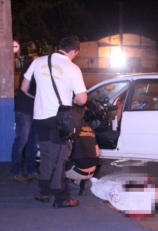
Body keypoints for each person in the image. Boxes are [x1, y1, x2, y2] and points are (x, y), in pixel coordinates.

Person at [21, 35, 87, 208]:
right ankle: (61, 197)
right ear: (74, 51)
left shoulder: (38, 61)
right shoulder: (72, 68)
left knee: (46, 154)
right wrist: (74, 102)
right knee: (60, 157)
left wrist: (41, 98)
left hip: (40, 117)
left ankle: (43, 191)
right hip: (60, 119)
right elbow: (82, 99)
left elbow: (24, 88)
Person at [10, 61, 39, 183]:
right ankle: (17, 172)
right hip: (25, 109)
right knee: (22, 141)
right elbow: (27, 89)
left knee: (31, 142)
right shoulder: (33, 67)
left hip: (33, 109)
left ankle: (31, 170)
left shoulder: (35, 66)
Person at [65, 121, 100, 195]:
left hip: (77, 170)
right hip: (92, 170)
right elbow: (97, 153)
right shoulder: (90, 127)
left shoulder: (69, 127)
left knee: (55, 162)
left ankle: (57, 185)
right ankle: (81, 182)